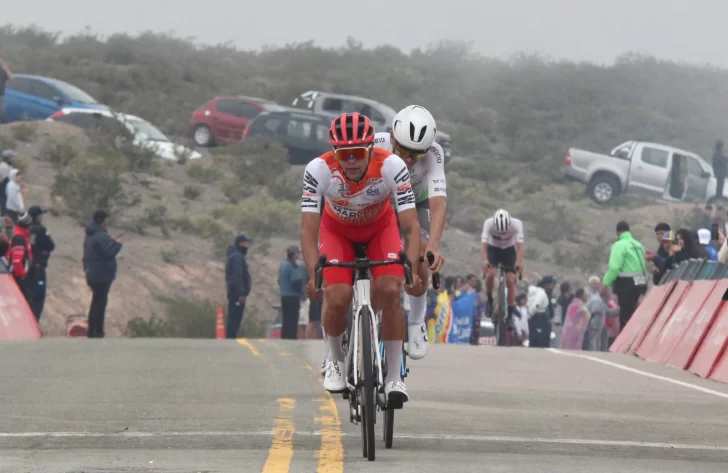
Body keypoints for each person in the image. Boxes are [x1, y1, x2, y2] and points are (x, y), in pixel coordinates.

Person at [300, 112, 421, 405]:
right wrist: (314, 274)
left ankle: (394, 376)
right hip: (336, 232)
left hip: (380, 229)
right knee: (337, 296)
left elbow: (410, 226)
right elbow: (308, 230)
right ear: (334, 153)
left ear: (370, 149)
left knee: (390, 291)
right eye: (344, 154)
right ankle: (335, 358)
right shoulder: (318, 169)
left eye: (358, 153)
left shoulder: (392, 165)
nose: (351, 161)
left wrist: (412, 269)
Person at [371, 104, 447, 360]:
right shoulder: (376, 144)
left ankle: (416, 322)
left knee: (421, 255)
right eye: (403, 151)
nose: (410, 159)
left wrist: (433, 245)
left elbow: (438, 204)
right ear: (392, 138)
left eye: (417, 154)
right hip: (382, 204)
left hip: (417, 203)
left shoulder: (435, 153)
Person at [480, 209, 525, 324]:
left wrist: (518, 262)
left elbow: (520, 248)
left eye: (505, 231)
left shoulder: (517, 224)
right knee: (490, 274)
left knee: (510, 280)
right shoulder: (488, 223)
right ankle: (490, 299)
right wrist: (485, 261)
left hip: (509, 251)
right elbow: (484, 247)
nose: (502, 233)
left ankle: (510, 312)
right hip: (493, 249)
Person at [83, 210, 123, 338]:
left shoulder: (91, 235)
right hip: (101, 274)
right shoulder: (100, 235)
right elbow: (109, 253)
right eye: (106, 219)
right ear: (101, 220)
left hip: (93, 273)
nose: (107, 222)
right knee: (99, 303)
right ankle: (96, 330)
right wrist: (118, 244)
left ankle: (95, 330)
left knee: (97, 302)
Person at [602, 221, 647, 332]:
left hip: (626, 283)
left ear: (618, 233)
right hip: (640, 281)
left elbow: (614, 268)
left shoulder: (619, 245)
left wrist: (605, 283)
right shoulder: (638, 245)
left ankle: (625, 338)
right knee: (633, 311)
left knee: (625, 314)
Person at [27, 205, 54, 321]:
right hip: (38, 266)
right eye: (41, 214)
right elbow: (50, 245)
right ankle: (34, 321)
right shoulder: (40, 229)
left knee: (28, 293)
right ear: (38, 216)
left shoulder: (26, 228)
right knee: (38, 296)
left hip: (26, 266)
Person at [225, 234, 252, 339]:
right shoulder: (237, 257)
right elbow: (237, 276)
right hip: (237, 294)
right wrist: (241, 293)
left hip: (234, 293)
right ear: (241, 243)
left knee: (234, 317)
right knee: (234, 318)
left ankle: (231, 338)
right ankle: (230, 339)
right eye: (246, 243)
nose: (247, 245)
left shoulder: (235, 256)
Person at [278, 245, 305, 339]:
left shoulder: (282, 264)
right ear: (294, 254)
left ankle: (284, 338)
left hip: (284, 296)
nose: (298, 255)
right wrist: (302, 293)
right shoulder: (292, 265)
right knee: (292, 320)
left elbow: (279, 281)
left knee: (285, 320)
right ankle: (291, 339)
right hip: (293, 297)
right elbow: (296, 282)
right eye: (297, 253)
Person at [7, 212, 33, 306]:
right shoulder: (20, 238)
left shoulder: (21, 236)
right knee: (25, 304)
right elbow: (17, 260)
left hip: (17, 276)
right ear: (27, 225)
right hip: (17, 277)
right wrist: (22, 274)